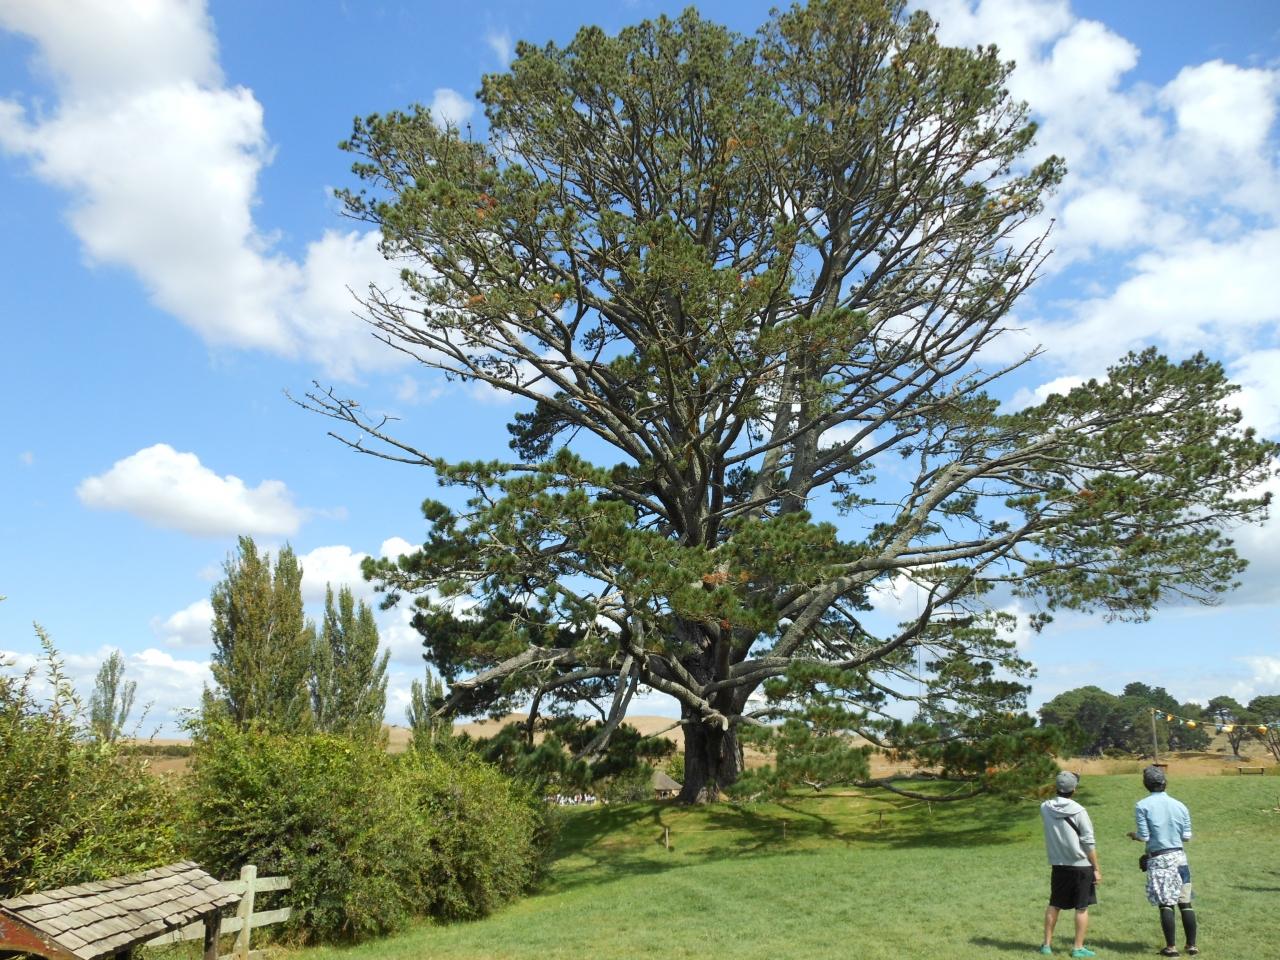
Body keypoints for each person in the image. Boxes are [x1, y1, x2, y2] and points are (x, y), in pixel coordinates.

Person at [1127, 765, 1197, 957]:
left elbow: (1144, 836)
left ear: (1146, 784)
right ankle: (1191, 946)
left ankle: (1171, 948)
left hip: (1159, 859)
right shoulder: (1180, 805)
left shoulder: (1142, 806)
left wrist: (1134, 835)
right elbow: (1187, 836)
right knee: (1185, 902)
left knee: (1166, 903)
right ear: (1165, 783)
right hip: (1180, 858)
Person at [1039, 771, 1101, 957]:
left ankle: (1046, 946)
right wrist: (1096, 868)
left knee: (1054, 904)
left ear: (1056, 787)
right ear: (1074, 789)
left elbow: (1050, 806)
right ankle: (1077, 948)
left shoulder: (1045, 807)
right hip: (1081, 865)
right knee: (1081, 908)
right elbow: (1088, 842)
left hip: (1058, 864)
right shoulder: (1080, 811)